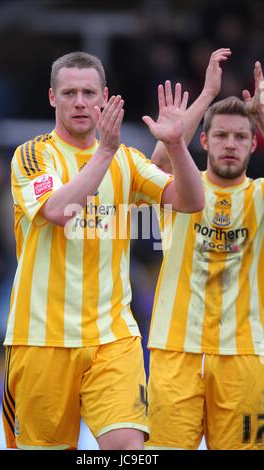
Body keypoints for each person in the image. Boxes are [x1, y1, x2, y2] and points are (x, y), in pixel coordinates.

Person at [2, 51, 204, 450]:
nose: (80, 101)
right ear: (51, 98)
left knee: (129, 448)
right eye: (70, 92)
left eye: (88, 92)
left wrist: (178, 145)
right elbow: (58, 210)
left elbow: (190, 200)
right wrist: (104, 152)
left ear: (105, 97)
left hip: (113, 338)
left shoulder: (127, 159)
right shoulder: (32, 155)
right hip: (41, 339)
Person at [146, 53, 264, 450]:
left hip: (245, 356)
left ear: (253, 143)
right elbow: (157, 160)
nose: (230, 144)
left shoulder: (260, 196)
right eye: (220, 136)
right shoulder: (179, 188)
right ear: (203, 140)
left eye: (240, 136)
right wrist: (207, 95)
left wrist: (262, 117)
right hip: (174, 350)